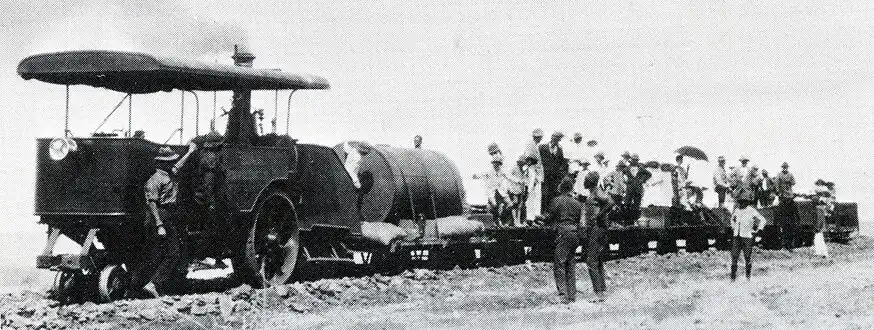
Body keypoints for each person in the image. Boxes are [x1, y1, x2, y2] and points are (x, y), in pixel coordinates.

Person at [130, 145, 196, 297]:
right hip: (159, 216)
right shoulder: (155, 180)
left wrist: (190, 152)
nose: (171, 164)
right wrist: (160, 224)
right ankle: (153, 284)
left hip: (166, 216)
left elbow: (178, 166)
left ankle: (136, 285)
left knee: (155, 254)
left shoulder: (168, 174)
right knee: (173, 253)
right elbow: (151, 203)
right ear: (162, 163)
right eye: (169, 162)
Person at [543, 177, 582, 303]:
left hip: (563, 233)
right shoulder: (577, 203)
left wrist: (541, 218)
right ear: (571, 189)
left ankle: (562, 295)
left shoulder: (556, 201)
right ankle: (572, 295)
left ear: (561, 188)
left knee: (559, 264)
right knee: (570, 265)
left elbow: (549, 217)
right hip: (574, 234)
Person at [582, 170, 612, 302]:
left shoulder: (596, 191)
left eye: (586, 179)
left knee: (591, 260)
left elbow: (610, 202)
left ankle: (598, 293)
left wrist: (599, 215)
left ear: (591, 181)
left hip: (597, 228)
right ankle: (602, 290)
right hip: (597, 228)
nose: (584, 181)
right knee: (597, 259)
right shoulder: (593, 192)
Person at [729, 200, 767, 281]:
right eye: (740, 202)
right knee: (734, 256)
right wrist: (733, 227)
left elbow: (763, 220)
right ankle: (733, 278)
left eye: (743, 202)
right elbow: (732, 219)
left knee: (747, 257)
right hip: (737, 236)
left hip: (747, 237)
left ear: (747, 202)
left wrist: (759, 230)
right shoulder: (737, 210)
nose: (741, 204)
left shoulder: (751, 210)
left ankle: (748, 277)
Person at [473, 155, 512, 226]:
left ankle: (502, 218)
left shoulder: (502, 170)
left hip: (501, 191)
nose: (496, 164)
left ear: (499, 163)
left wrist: (519, 181)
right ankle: (495, 220)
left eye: (497, 163)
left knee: (510, 204)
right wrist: (475, 176)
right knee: (494, 205)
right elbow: (482, 174)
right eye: (494, 162)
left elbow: (509, 177)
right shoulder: (489, 170)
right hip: (492, 191)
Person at [539, 131, 568, 211]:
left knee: (552, 195)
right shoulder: (542, 147)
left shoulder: (559, 149)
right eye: (555, 138)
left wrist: (559, 174)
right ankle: (542, 212)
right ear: (551, 137)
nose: (556, 140)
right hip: (543, 175)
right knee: (543, 194)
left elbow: (561, 162)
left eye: (558, 139)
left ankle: (549, 213)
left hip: (554, 177)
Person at [775, 162, 799, 250]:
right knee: (784, 228)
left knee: (790, 229)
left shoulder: (790, 174)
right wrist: (778, 192)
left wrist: (788, 183)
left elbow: (793, 182)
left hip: (789, 193)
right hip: (782, 195)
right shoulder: (779, 175)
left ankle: (790, 246)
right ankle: (784, 245)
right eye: (784, 167)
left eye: (786, 167)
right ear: (782, 168)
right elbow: (776, 184)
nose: (785, 169)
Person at [624, 153, 651, 220]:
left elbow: (649, 174)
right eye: (633, 159)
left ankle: (635, 220)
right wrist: (625, 181)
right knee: (627, 204)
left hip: (638, 189)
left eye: (636, 160)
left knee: (637, 205)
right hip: (629, 189)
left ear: (638, 160)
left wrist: (642, 180)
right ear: (631, 160)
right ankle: (627, 220)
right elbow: (622, 174)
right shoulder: (627, 168)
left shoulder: (641, 168)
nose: (635, 161)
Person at [507, 155, 529, 226]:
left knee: (520, 205)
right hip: (513, 190)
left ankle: (518, 221)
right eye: (522, 162)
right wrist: (517, 181)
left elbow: (524, 180)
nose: (522, 164)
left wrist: (524, 184)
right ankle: (515, 221)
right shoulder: (514, 168)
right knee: (515, 204)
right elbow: (508, 176)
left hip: (520, 190)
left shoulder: (522, 170)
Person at [523, 155, 543, 224]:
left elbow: (534, 180)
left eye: (530, 160)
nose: (528, 162)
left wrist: (530, 188)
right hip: (530, 188)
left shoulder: (534, 169)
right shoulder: (527, 169)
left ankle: (534, 218)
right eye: (527, 160)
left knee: (535, 202)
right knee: (530, 203)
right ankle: (530, 219)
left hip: (534, 188)